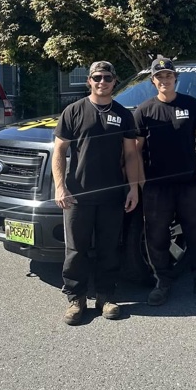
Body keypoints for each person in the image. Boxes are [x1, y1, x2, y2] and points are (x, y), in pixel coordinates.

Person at [135, 56, 196, 305]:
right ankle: (162, 283)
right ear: (153, 81)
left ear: (175, 78)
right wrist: (142, 183)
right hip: (156, 187)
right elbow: (136, 151)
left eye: (168, 75)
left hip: (188, 183)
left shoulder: (191, 105)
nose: (164, 80)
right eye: (159, 76)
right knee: (157, 237)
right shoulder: (144, 111)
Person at [52, 61, 139, 325]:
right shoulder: (73, 111)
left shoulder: (123, 114)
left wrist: (133, 187)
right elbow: (59, 152)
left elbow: (131, 154)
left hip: (112, 195)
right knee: (76, 251)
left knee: (108, 249)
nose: (103, 82)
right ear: (89, 80)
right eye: (97, 77)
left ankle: (106, 297)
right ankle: (76, 299)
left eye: (107, 78)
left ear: (114, 81)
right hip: (77, 196)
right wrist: (60, 186)